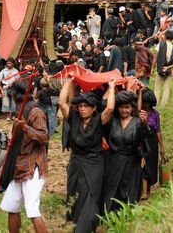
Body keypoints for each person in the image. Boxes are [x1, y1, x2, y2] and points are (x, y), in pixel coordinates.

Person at [58, 78, 115, 233]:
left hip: (94, 162)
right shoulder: (74, 118)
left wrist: (111, 88)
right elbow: (62, 103)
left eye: (86, 106)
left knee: (91, 193)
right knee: (74, 191)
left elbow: (109, 108)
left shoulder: (99, 120)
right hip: (76, 162)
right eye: (80, 106)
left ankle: (85, 226)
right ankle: (74, 222)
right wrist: (69, 82)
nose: (82, 109)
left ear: (93, 108)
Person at [0, 81, 49, 233]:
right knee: (11, 205)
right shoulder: (20, 111)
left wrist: (26, 127)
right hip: (18, 165)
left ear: (15, 95)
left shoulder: (36, 112)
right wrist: (4, 165)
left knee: (32, 209)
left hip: (32, 166)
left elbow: (44, 137)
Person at [103, 90, 148, 212]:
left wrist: (144, 124)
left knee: (130, 191)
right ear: (117, 108)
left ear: (132, 108)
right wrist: (111, 89)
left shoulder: (138, 122)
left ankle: (127, 219)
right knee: (112, 190)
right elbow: (105, 106)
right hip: (114, 162)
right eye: (121, 107)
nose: (124, 110)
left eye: (127, 107)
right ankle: (111, 218)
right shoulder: (112, 122)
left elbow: (144, 138)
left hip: (132, 163)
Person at [141, 88, 166, 200]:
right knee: (143, 164)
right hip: (142, 141)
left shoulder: (155, 114)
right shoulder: (139, 112)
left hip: (152, 142)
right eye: (144, 102)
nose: (146, 105)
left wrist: (162, 147)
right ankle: (144, 191)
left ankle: (148, 190)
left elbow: (158, 130)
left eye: (148, 103)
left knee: (151, 164)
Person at [152, 30, 173, 106]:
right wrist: (168, 67)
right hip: (169, 71)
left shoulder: (160, 44)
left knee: (157, 88)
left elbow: (155, 57)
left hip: (160, 69)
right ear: (172, 38)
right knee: (167, 88)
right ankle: (163, 104)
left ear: (165, 36)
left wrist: (152, 68)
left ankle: (155, 104)